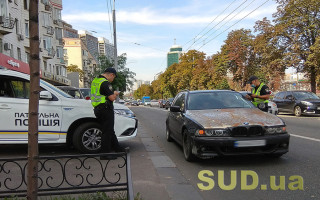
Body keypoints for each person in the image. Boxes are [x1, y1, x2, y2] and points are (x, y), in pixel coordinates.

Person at [91, 67, 125, 157]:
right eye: (113, 77)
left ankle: (118, 149)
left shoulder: (96, 81)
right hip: (105, 108)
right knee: (106, 131)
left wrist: (110, 93)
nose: (112, 80)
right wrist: (115, 93)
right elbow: (112, 98)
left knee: (109, 129)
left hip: (98, 108)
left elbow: (101, 94)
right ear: (111, 74)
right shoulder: (105, 83)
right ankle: (105, 154)